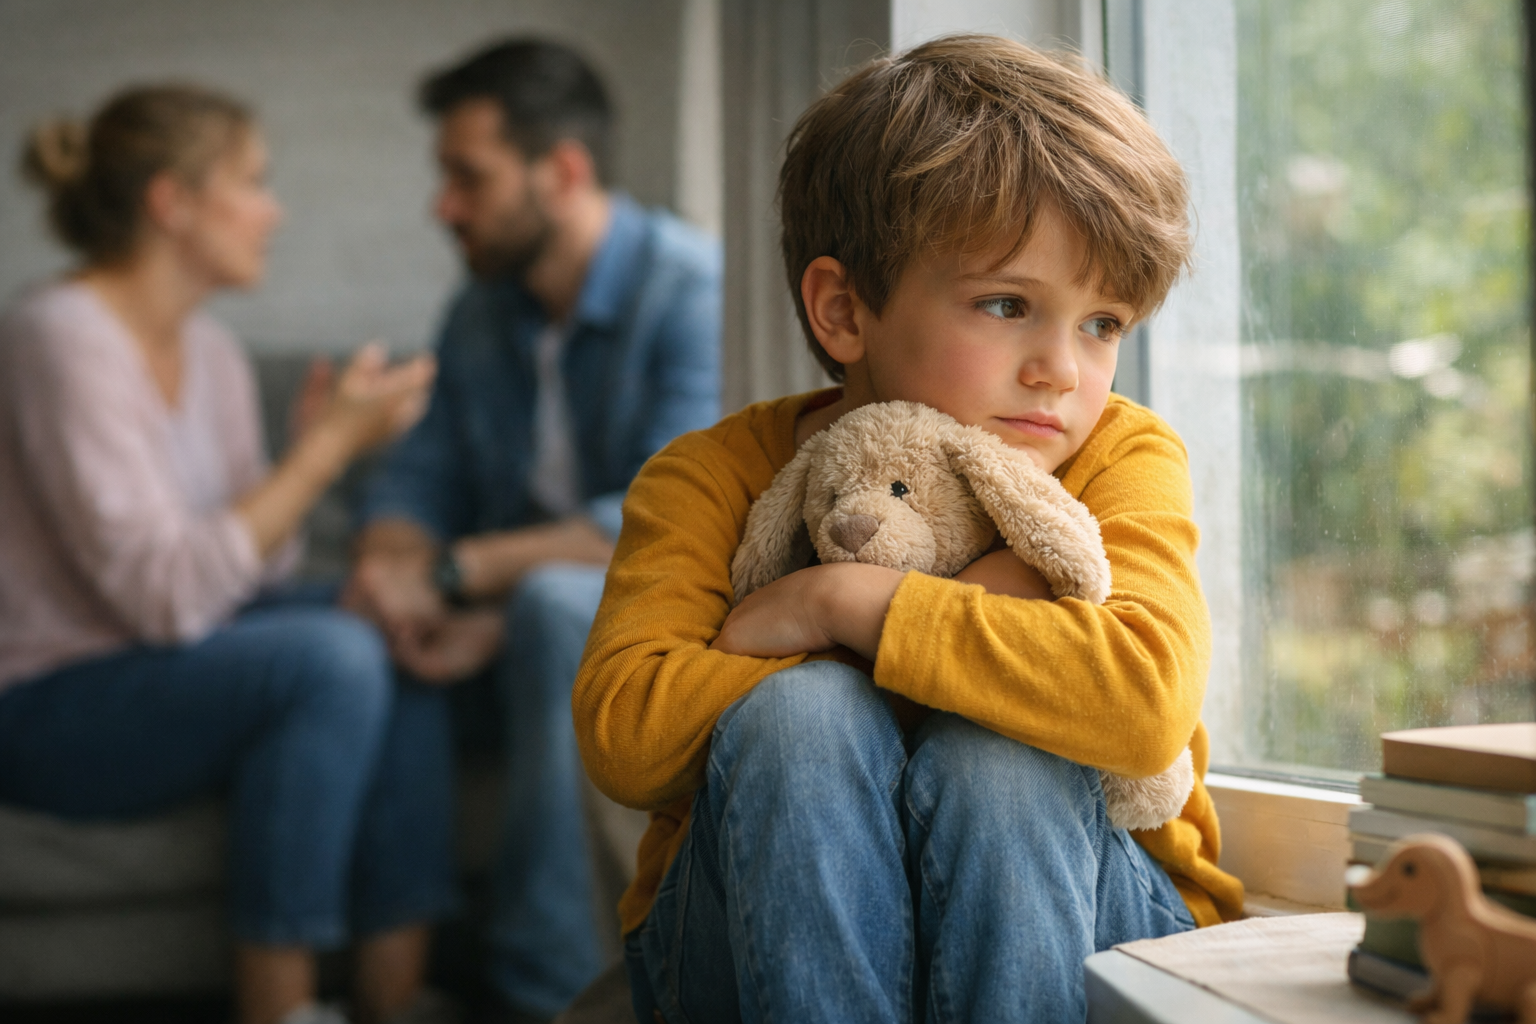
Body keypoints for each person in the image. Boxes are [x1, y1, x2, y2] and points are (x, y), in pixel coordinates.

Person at [573, 35, 1249, 1024]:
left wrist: (837, 602)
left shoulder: (1120, 453)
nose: (1063, 370)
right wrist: (961, 621)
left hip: (1098, 924)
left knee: (1003, 758)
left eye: (1103, 323)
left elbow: (1142, 702)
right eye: (1008, 304)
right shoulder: (710, 476)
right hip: (744, 947)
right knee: (804, 721)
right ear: (844, 310)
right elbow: (629, 735)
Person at [0, 85, 455, 1024]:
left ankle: (393, 998)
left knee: (386, 614)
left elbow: (252, 576)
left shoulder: (209, 350)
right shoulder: (58, 339)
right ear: (173, 202)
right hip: (47, 700)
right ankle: (279, 1010)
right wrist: (325, 452)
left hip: (164, 657)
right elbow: (165, 600)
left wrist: (292, 462)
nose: (273, 209)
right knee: (327, 658)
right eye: (252, 181)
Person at [342, 38, 721, 1023]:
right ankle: (393, 988)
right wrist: (394, 567)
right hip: (506, 619)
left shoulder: (692, 291)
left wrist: (464, 573)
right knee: (354, 640)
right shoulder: (480, 309)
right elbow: (419, 477)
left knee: (554, 603)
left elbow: (659, 519)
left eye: (467, 176)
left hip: (655, 619)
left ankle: (543, 991)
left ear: (562, 172)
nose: (444, 204)